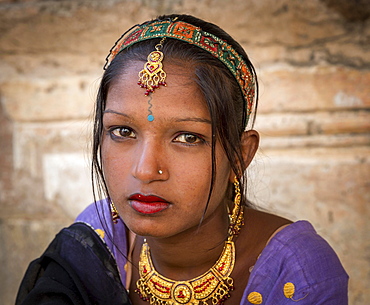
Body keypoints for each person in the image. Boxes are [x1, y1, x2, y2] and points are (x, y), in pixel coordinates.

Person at [16, 14, 348, 305]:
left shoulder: (299, 273)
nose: (145, 170)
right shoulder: (95, 239)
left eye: (188, 138)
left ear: (240, 156)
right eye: (122, 131)